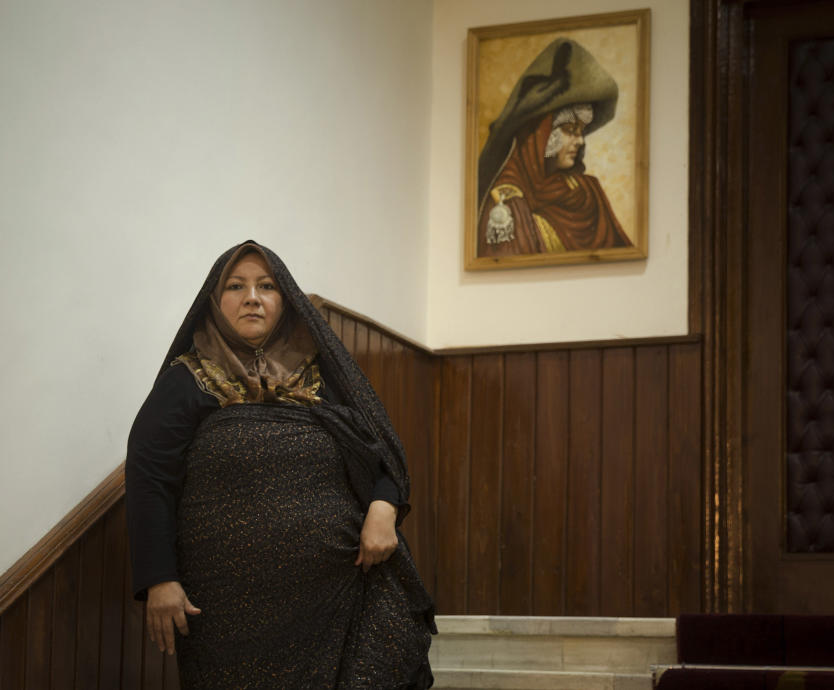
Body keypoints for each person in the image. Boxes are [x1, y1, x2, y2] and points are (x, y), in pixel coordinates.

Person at [125, 241, 435, 688]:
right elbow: (149, 478)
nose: (252, 297)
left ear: (284, 300)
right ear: (215, 300)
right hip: (226, 612)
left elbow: (380, 450)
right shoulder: (186, 381)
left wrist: (384, 508)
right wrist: (159, 579)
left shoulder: (324, 375)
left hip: (338, 595)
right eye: (236, 285)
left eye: (266, 286)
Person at [476, 38, 632, 258]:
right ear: (540, 134)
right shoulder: (506, 204)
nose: (580, 141)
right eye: (569, 130)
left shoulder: (588, 192)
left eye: (581, 131)